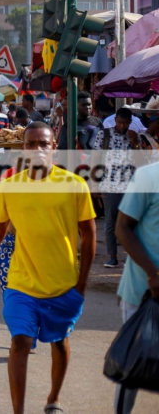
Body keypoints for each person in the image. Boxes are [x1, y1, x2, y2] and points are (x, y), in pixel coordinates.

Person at [0, 122, 96, 414]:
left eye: (43, 144)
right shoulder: (10, 186)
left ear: (53, 147)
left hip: (62, 283)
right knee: (21, 341)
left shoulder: (75, 185)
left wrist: (82, 283)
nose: (37, 149)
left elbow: (88, 235)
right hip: (20, 282)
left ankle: (54, 399)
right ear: (23, 149)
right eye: (31, 144)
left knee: (59, 342)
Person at [113, 160, 159, 414]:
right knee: (132, 368)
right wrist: (153, 273)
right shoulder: (149, 176)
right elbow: (122, 228)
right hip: (143, 292)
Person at [92, 107, 140, 269]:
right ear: (116, 120)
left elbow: (139, 163)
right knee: (111, 222)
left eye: (125, 123)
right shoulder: (103, 135)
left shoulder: (134, 137)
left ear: (130, 123)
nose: (122, 126)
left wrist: (135, 143)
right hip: (109, 185)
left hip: (129, 186)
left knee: (130, 222)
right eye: (120, 122)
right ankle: (112, 257)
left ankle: (131, 258)